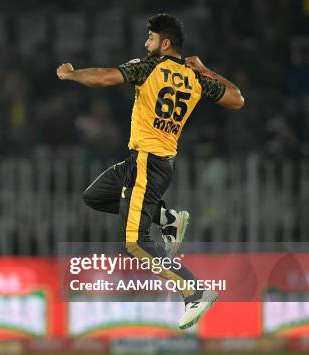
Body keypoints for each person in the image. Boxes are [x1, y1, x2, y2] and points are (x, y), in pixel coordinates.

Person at [56, 13, 244, 329]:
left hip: (148, 163)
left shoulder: (150, 67)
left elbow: (103, 78)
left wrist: (72, 75)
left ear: (165, 43)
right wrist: (205, 69)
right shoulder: (195, 77)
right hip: (149, 162)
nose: (146, 43)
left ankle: (194, 291)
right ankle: (167, 218)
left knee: (136, 242)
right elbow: (237, 99)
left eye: (151, 38)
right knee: (96, 196)